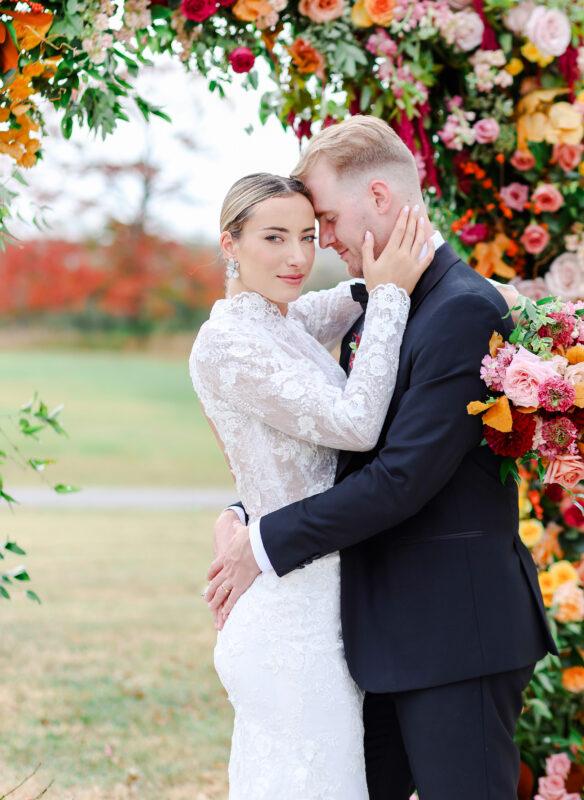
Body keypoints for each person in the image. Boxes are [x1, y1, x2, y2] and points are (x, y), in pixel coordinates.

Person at [205, 117, 557, 800]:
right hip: (380, 632)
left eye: (326, 222)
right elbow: (329, 455)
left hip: (454, 632)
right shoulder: (381, 305)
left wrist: (264, 543)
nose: (321, 243)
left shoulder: (459, 309)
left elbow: (399, 480)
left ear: (380, 197)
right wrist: (248, 505)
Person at [190, 171, 435, 799]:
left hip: (326, 596)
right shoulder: (228, 342)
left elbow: (349, 295)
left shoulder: (283, 318)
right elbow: (355, 425)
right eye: (274, 238)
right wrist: (389, 300)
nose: (298, 257)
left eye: (306, 235)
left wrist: (488, 292)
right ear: (231, 244)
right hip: (291, 617)